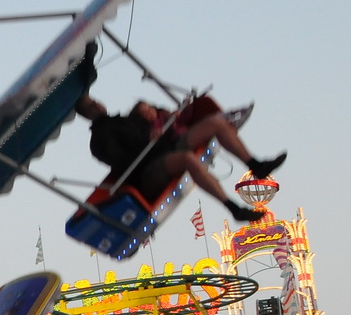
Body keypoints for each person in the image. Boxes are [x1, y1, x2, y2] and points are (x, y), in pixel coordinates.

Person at [76, 93, 282, 224]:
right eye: (91, 106)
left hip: (166, 147)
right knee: (187, 159)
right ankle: (234, 209)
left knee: (215, 123)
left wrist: (166, 117)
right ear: (85, 115)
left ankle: (256, 165)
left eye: (94, 101)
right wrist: (148, 141)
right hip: (148, 170)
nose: (97, 105)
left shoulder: (123, 119)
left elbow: (152, 122)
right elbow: (123, 161)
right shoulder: (99, 141)